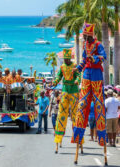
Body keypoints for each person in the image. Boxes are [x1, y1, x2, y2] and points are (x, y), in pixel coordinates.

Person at [72, 23, 107, 165]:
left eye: (86, 36)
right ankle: (78, 136)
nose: (85, 38)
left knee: (99, 106)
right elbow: (83, 62)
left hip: (97, 76)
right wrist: (77, 70)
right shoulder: (85, 46)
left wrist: (96, 58)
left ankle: (102, 138)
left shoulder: (98, 44)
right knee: (82, 105)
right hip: (86, 75)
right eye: (84, 36)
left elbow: (103, 57)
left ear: (91, 35)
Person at [51, 49, 81, 153]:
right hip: (64, 91)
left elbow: (78, 75)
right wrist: (55, 81)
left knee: (75, 115)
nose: (65, 61)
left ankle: (78, 138)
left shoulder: (74, 65)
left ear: (69, 59)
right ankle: (58, 138)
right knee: (61, 114)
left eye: (66, 59)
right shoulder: (62, 67)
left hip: (73, 91)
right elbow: (59, 75)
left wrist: (77, 80)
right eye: (64, 59)